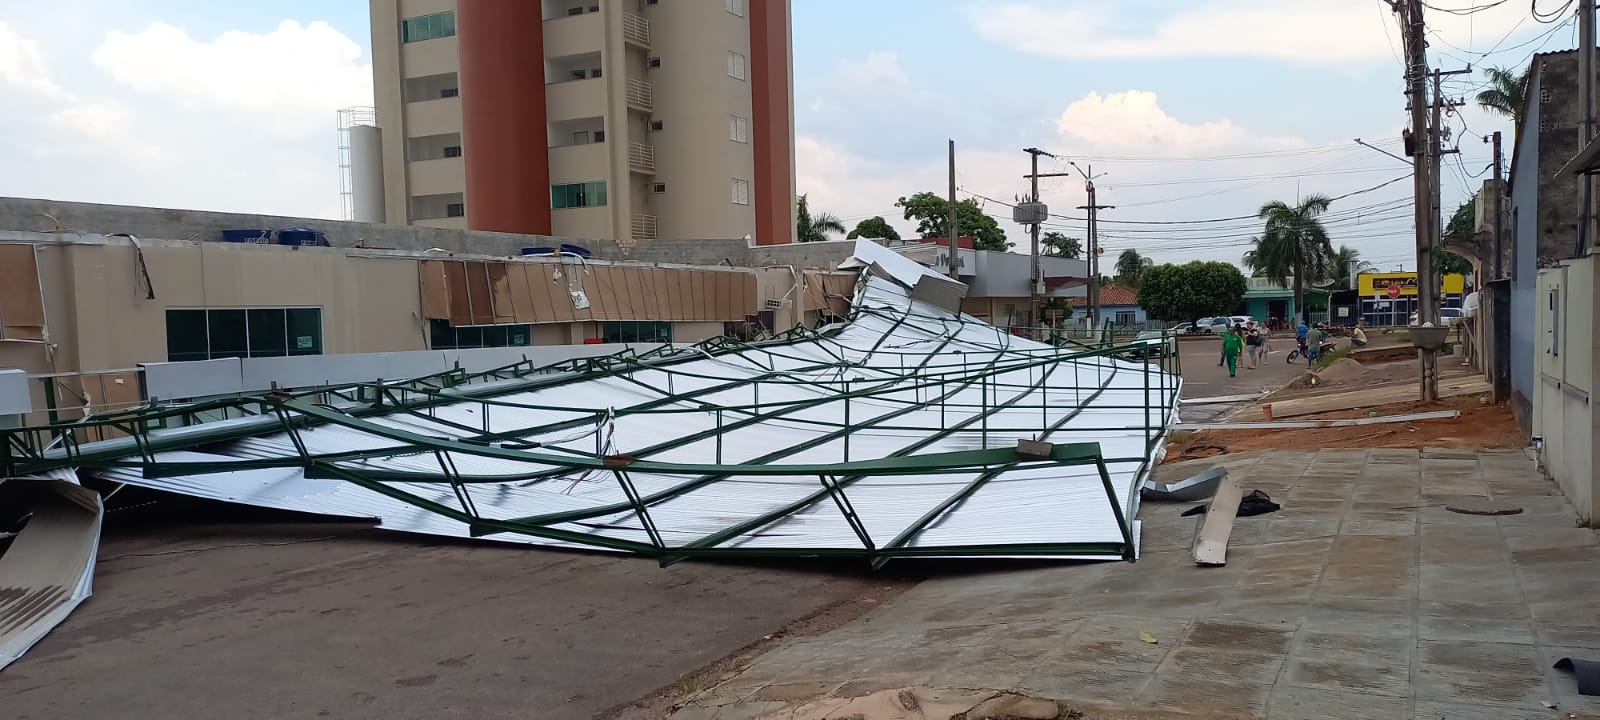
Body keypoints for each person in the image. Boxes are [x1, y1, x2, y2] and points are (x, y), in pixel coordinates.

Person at [1461, 286, 1480, 367]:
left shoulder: (1471, 297)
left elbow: (1467, 311)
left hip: (1470, 317)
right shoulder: (1472, 297)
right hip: (1470, 317)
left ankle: (1470, 356)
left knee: (1470, 337)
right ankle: (1471, 356)